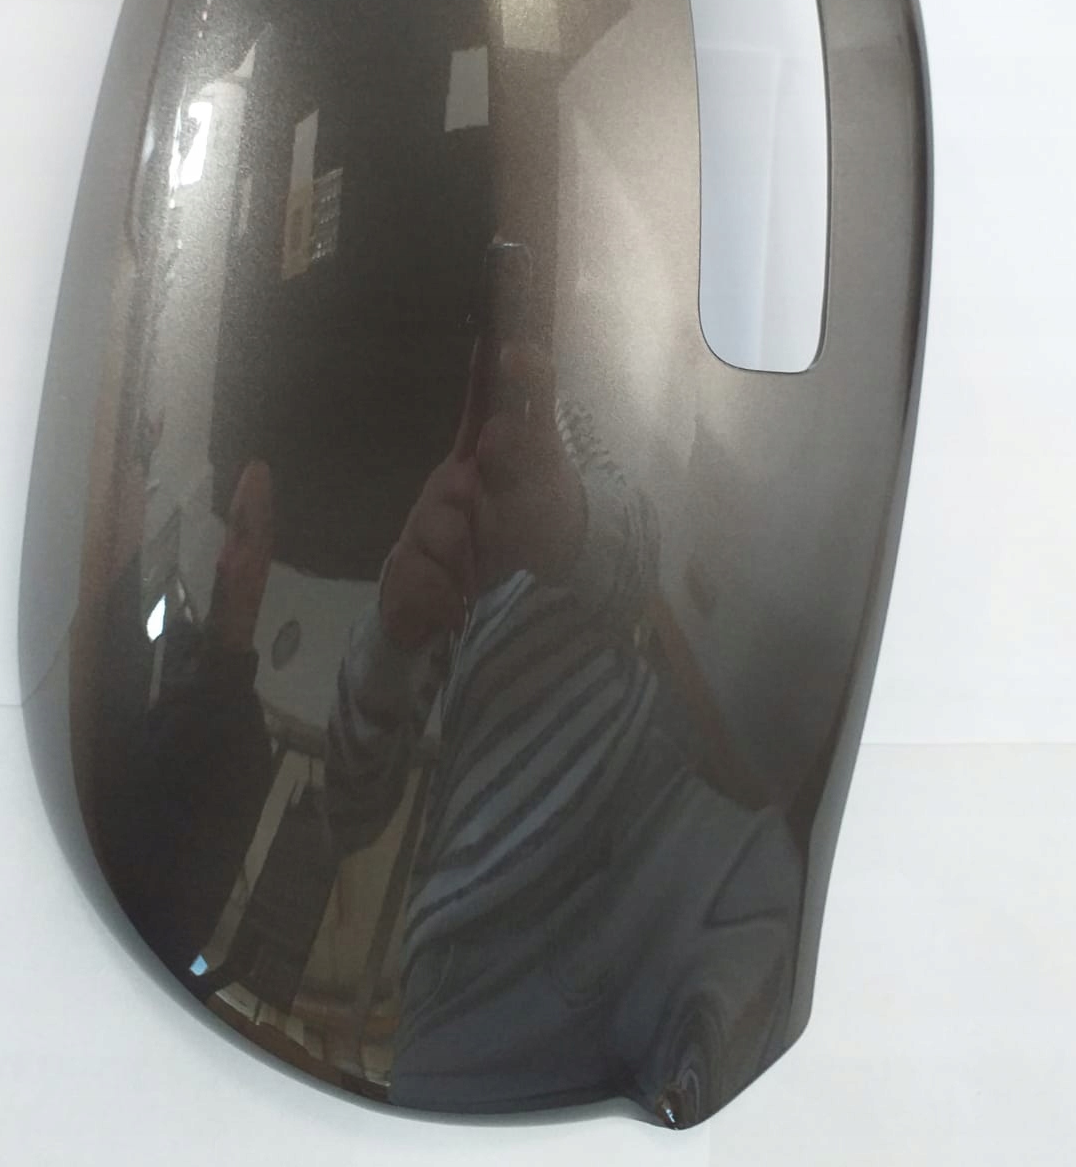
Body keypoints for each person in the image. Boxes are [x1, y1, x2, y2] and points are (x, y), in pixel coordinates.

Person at [325, 343, 803, 1125]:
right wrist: (392, 634)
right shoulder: (424, 525)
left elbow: (642, 557)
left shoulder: (566, 430)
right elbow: (351, 808)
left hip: (661, 833)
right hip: (482, 951)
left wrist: (565, 522)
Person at [97, 459, 276, 980]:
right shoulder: (173, 645)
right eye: (225, 529)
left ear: (266, 569)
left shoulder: (244, 748)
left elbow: (173, 936)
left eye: (241, 536)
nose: (221, 559)